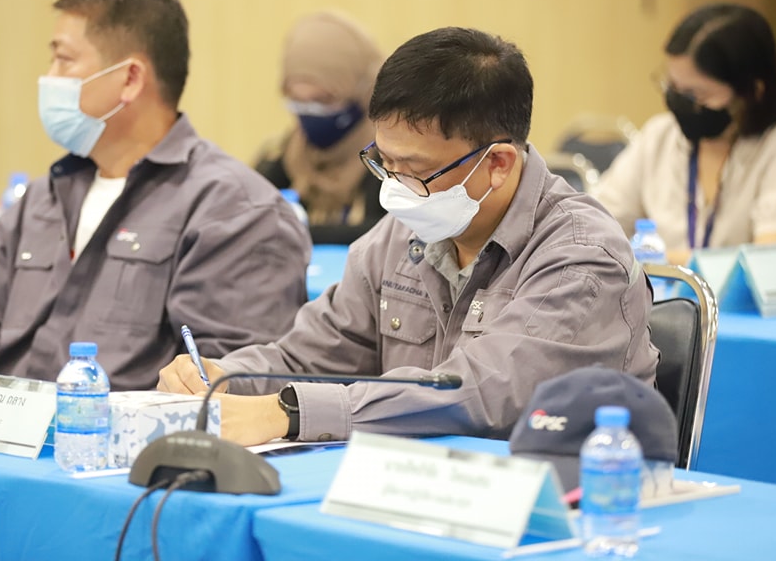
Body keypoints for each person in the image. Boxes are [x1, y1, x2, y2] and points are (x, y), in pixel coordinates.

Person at [158, 27, 659, 446]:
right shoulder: (405, 234)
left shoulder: (582, 259)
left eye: (415, 170)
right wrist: (222, 376)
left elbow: (477, 394)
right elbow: (308, 355)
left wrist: (287, 412)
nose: (394, 188)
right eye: (384, 163)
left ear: (499, 164)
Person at [0, 0, 311, 390]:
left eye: (64, 61)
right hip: (4, 425)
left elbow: (224, 389)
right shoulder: (39, 199)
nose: (49, 78)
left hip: (119, 431)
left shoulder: (236, 210)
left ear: (130, 79)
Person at [593, 3, 776, 265]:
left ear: (753, 91)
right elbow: (595, 226)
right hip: (661, 291)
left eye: (695, 95)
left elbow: (770, 262)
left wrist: (652, 261)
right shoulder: (660, 136)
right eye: (672, 87)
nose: (679, 102)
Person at [254, 11, 388, 244]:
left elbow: (390, 234)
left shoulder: (391, 161)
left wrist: (294, 232)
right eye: (298, 102)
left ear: (363, 91)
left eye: (323, 101)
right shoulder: (285, 155)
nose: (311, 114)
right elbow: (247, 219)